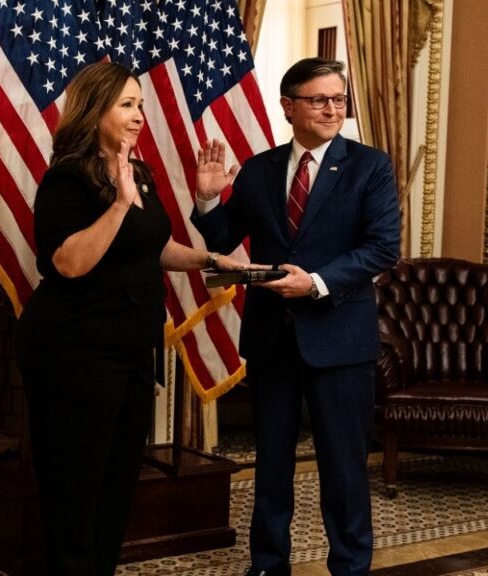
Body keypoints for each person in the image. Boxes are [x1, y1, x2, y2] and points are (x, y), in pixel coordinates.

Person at [15, 61, 257, 576]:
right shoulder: (66, 178)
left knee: (116, 482)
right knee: (75, 487)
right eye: (127, 104)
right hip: (72, 352)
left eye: (141, 104)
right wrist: (121, 204)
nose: (139, 115)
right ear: (94, 109)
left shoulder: (137, 171)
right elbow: (69, 263)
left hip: (130, 349)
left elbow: (154, 246)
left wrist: (213, 261)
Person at [191, 57, 401, 576]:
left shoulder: (369, 166)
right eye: (319, 99)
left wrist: (317, 283)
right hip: (271, 342)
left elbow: (382, 249)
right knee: (272, 465)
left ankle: (350, 566)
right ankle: (268, 564)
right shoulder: (261, 169)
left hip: (339, 339)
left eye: (339, 100)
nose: (333, 109)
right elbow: (221, 241)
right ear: (289, 107)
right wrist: (207, 197)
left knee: (344, 469)